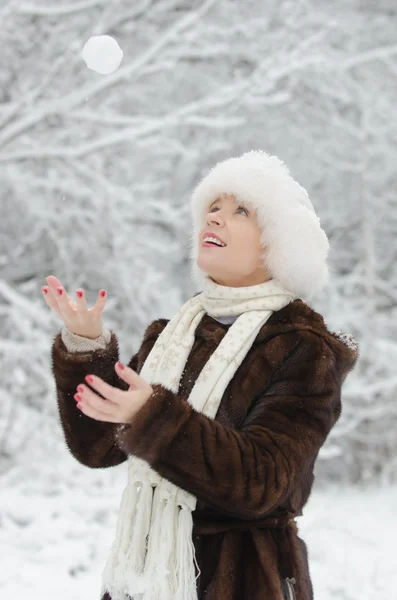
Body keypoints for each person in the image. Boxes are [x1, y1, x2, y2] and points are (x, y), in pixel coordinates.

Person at [44, 150, 359, 600]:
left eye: (240, 211)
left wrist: (154, 417)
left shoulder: (303, 347)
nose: (215, 219)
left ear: (276, 243)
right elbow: (98, 447)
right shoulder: (172, 336)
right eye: (212, 208)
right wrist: (85, 348)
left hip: (245, 580)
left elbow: (263, 481)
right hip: (145, 579)